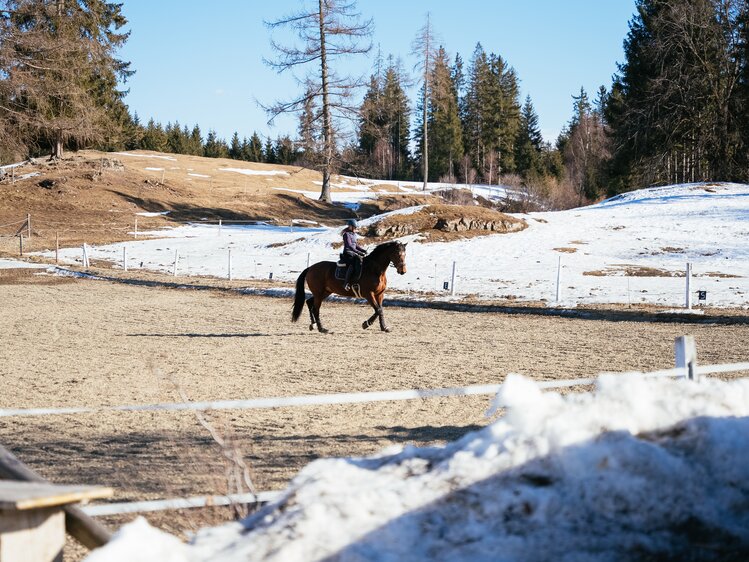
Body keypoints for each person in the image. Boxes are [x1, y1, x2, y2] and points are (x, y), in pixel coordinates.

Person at [342, 218, 366, 291]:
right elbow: (349, 246)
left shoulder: (354, 235)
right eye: (354, 227)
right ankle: (346, 283)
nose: (355, 229)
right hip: (347, 253)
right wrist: (359, 252)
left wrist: (363, 250)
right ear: (350, 226)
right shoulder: (346, 234)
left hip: (353, 252)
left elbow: (355, 245)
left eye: (356, 228)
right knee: (353, 264)